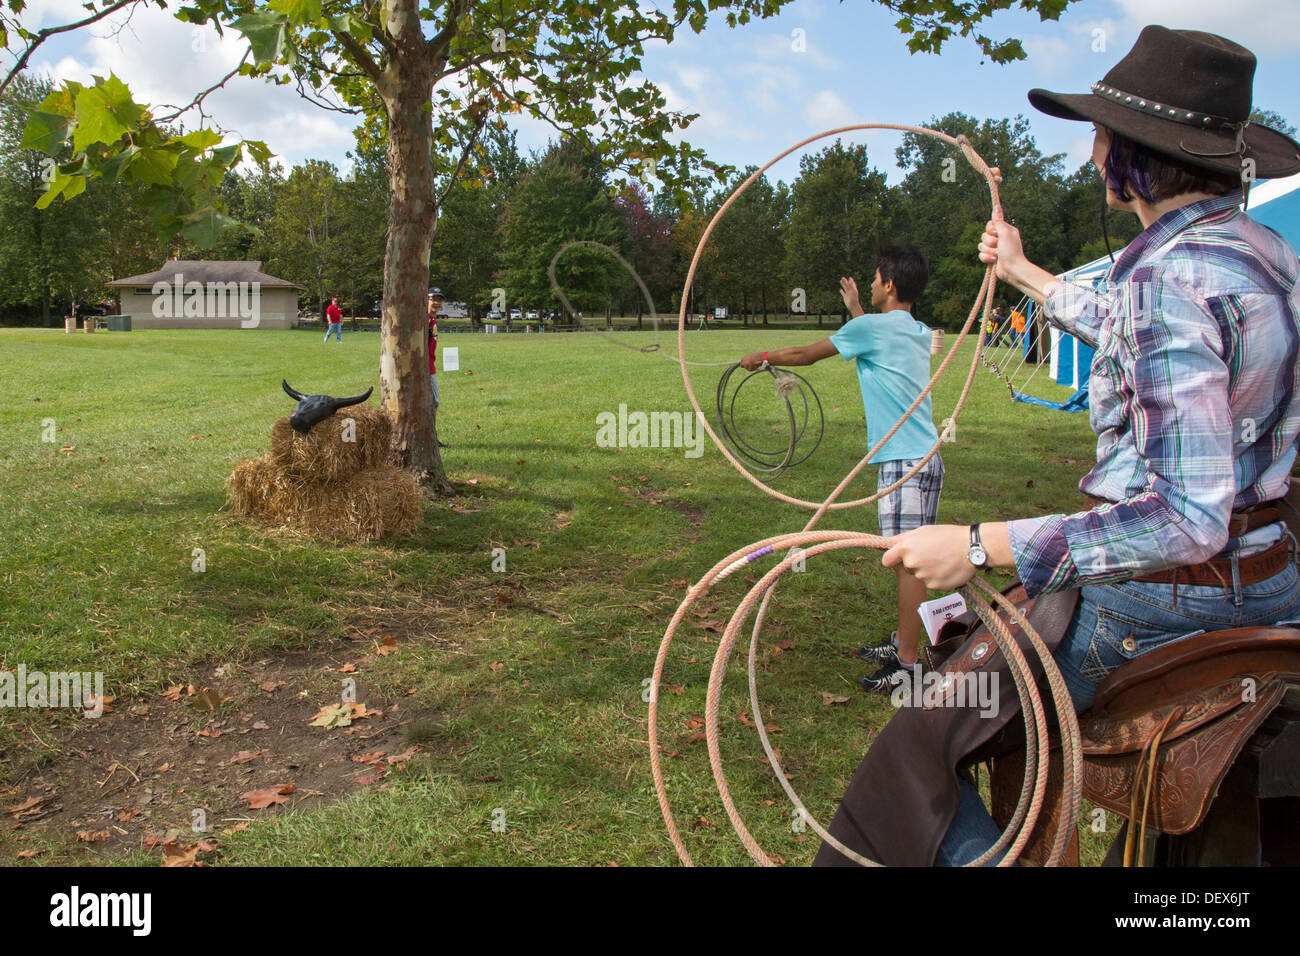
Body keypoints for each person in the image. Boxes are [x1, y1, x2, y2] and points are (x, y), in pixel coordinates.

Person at [815, 25, 1300, 867]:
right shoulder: (1263, 253)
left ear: (1138, 155)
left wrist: (977, 545)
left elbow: (1187, 518)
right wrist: (1026, 273)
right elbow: (1147, 333)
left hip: (1163, 597)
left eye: (1102, 134)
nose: (1091, 152)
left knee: (919, 744)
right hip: (1273, 583)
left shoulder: (1162, 278)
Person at [740, 243, 941, 693]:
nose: (868, 285)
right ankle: (903, 641)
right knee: (905, 559)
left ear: (888, 285)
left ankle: (909, 664)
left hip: (907, 461)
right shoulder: (913, 328)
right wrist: (854, 310)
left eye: (873, 280)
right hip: (919, 457)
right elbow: (874, 339)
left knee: (908, 563)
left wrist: (763, 357)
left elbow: (808, 355)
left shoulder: (872, 327)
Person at [428, 287, 449, 449]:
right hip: (425, 368)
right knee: (434, 402)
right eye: (433, 299)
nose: (436, 302)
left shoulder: (432, 320)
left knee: (432, 403)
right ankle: (430, 438)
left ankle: (430, 437)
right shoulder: (424, 320)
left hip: (430, 366)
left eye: (439, 300)